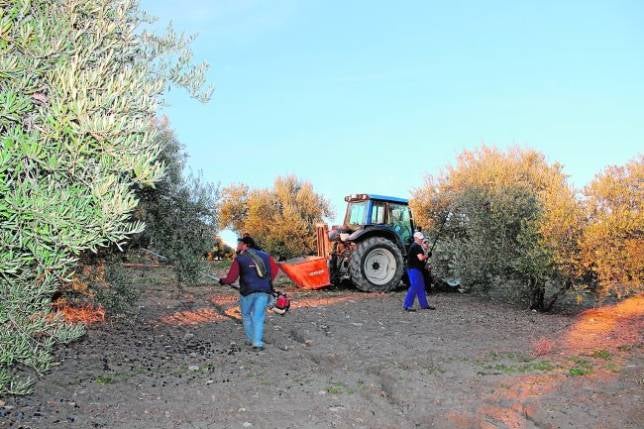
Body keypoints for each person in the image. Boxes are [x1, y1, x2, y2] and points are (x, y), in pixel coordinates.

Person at [219, 236, 280, 351]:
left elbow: (231, 278)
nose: (237, 246)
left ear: (245, 245)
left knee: (246, 315)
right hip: (264, 292)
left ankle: (252, 339)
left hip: (247, 292)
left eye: (239, 244)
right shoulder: (266, 256)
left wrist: (223, 281)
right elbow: (275, 270)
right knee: (258, 317)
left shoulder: (240, 258)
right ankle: (257, 343)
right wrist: (267, 282)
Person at [403, 231, 436, 311]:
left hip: (416, 269)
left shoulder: (416, 246)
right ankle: (407, 305)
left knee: (421, 287)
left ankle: (424, 305)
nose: (421, 240)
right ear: (415, 238)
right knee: (414, 286)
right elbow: (421, 258)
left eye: (422, 239)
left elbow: (420, 260)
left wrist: (426, 256)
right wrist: (427, 255)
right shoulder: (416, 246)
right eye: (420, 239)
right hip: (413, 269)